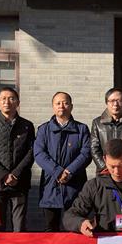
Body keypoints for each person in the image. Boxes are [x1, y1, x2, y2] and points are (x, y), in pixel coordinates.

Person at [0, 87, 35, 232]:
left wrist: (15, 174)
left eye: (11, 98)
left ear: (18, 102)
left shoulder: (27, 126)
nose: (7, 102)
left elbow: (31, 152)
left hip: (20, 182)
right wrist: (4, 175)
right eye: (3, 99)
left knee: (19, 227)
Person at [34, 91, 91, 232]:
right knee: (50, 230)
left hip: (75, 185)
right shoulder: (44, 129)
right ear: (53, 106)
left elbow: (86, 153)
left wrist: (69, 171)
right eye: (58, 103)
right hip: (51, 185)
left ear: (71, 106)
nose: (61, 106)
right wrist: (58, 172)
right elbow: (39, 153)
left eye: (65, 103)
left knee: (74, 230)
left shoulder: (81, 129)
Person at [90, 88, 122, 173]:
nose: (115, 104)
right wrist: (105, 167)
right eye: (112, 101)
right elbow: (94, 148)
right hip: (105, 171)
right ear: (107, 103)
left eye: (119, 100)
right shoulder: (97, 123)